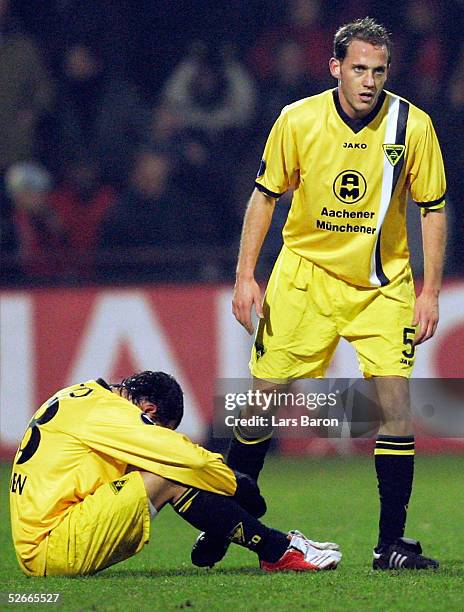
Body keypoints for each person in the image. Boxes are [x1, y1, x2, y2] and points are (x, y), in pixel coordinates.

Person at [195, 17, 446, 571]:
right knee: (261, 401)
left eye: (378, 70)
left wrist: (429, 291)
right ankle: (231, 514)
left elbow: (432, 208)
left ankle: (390, 545)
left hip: (382, 286)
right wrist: (244, 276)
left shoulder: (413, 125)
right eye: (358, 68)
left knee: (395, 404)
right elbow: (264, 198)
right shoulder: (298, 120)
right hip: (305, 278)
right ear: (335, 66)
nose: (368, 81)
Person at [9, 370, 342, 576]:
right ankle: (276, 550)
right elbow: (187, 461)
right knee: (168, 474)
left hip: (48, 537)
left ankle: (265, 543)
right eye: (161, 430)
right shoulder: (111, 414)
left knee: (161, 470)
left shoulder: (84, 396)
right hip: (53, 547)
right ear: (149, 411)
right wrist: (236, 485)